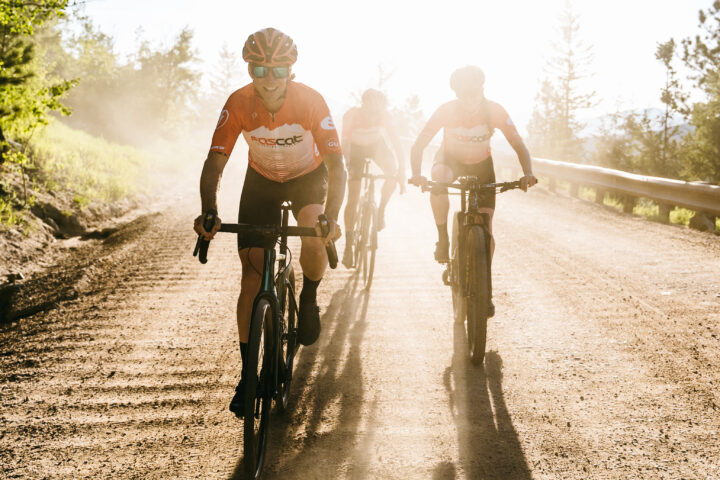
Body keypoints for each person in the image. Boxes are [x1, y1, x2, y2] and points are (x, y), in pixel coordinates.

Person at [193, 28, 346, 417]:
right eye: (259, 68)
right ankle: (248, 374)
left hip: (308, 177)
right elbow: (215, 162)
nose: (269, 78)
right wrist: (209, 209)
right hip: (261, 181)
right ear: (249, 68)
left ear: (291, 70)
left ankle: (309, 296)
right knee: (252, 271)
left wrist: (334, 216)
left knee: (312, 230)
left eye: (278, 69)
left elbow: (336, 165)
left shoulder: (311, 101)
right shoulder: (239, 102)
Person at [408, 66, 537, 316]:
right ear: (456, 94)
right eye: (463, 94)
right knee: (439, 178)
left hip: (482, 167)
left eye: (474, 93)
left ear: (482, 90)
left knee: (486, 229)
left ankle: (485, 290)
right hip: (449, 161)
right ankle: (443, 238)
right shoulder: (446, 110)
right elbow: (419, 144)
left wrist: (528, 173)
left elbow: (518, 143)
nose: (469, 100)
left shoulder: (495, 111)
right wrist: (416, 173)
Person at [341, 89, 405, 267]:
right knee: (353, 198)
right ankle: (348, 245)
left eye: (376, 113)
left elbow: (396, 142)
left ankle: (381, 210)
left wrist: (402, 169)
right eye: (370, 112)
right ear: (363, 107)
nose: (373, 117)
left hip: (376, 146)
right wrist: (347, 165)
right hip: (355, 150)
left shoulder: (384, 115)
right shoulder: (352, 115)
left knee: (392, 172)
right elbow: (345, 143)